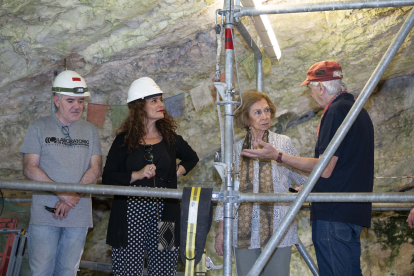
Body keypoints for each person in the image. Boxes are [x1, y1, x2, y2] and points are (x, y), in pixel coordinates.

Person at [242, 61, 374, 276]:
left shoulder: (335, 111)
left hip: (333, 213)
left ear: (320, 87)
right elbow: (343, 166)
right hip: (351, 212)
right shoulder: (357, 109)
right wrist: (310, 186)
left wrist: (277, 156)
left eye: (310, 88)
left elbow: (325, 168)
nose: (311, 94)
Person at [102, 77, 199, 276]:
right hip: (131, 212)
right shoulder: (124, 141)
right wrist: (136, 175)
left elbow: (191, 158)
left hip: (166, 213)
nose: (160, 104)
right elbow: (108, 177)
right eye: (154, 100)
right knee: (128, 269)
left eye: (160, 99)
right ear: (139, 106)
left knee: (164, 269)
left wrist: (176, 173)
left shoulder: (171, 139)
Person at [214, 89, 307, 276]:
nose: (265, 116)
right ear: (246, 119)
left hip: (279, 230)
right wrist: (221, 232)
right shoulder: (235, 150)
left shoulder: (282, 144)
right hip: (243, 232)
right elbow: (227, 191)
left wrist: (303, 189)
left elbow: (304, 178)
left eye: (267, 110)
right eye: (257, 112)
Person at [20, 70, 102, 275]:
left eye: (80, 101)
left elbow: (96, 168)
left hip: (78, 214)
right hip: (45, 214)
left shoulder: (90, 130)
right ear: (56, 100)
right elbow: (30, 167)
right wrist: (62, 193)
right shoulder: (38, 127)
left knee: (68, 271)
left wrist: (72, 197)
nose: (77, 106)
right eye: (70, 101)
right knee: (41, 271)